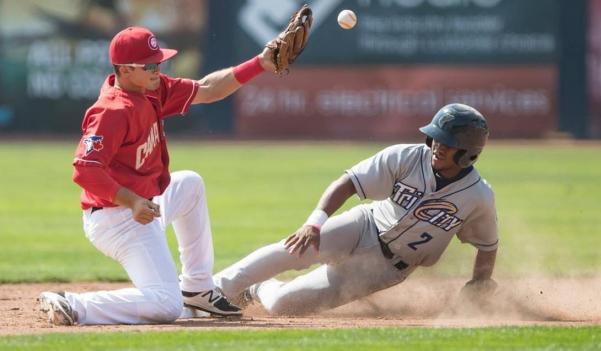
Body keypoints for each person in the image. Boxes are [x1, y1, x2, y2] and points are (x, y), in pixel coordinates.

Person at [38, 26, 280, 325]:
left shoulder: (152, 88)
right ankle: (74, 305)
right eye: (150, 64)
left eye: (159, 61)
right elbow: (85, 169)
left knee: (189, 184)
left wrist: (260, 63)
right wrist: (132, 201)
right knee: (166, 305)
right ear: (125, 70)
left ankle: (197, 288)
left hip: (144, 205)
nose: (158, 69)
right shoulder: (111, 111)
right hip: (117, 218)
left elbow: (207, 88)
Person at [214, 103, 499, 316]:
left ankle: (257, 289)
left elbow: (487, 245)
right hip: (363, 225)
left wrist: (480, 281)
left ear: (468, 152)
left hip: (386, 268)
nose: (438, 145)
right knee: (293, 250)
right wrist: (314, 223)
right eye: (436, 137)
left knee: (282, 305)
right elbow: (348, 183)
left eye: (448, 143)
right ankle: (213, 289)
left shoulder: (478, 196)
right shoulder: (405, 156)